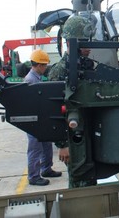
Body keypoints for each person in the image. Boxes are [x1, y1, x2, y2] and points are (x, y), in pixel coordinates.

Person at [48, 15, 96, 188]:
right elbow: (53, 111)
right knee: (78, 181)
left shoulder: (88, 65)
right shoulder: (59, 71)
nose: (89, 47)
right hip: (73, 139)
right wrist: (62, 144)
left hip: (92, 134)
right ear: (71, 43)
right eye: (84, 43)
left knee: (91, 178)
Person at [24, 49, 62, 186]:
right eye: (45, 65)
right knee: (35, 148)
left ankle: (46, 169)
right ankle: (33, 177)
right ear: (39, 65)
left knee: (46, 144)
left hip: (41, 118)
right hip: (34, 120)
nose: (46, 68)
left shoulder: (36, 78)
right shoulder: (30, 80)